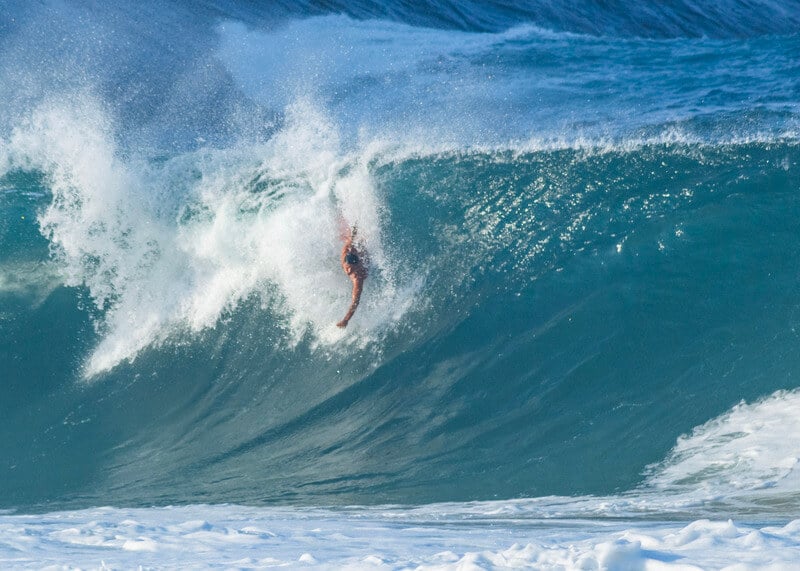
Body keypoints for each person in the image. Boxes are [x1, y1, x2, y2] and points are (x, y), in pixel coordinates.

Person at [337, 226, 368, 328]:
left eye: (351, 269)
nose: (349, 271)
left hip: (363, 262)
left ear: (357, 266)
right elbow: (351, 241)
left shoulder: (358, 278)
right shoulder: (346, 251)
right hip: (352, 251)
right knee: (346, 237)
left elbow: (355, 302)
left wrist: (346, 320)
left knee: (362, 247)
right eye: (347, 267)